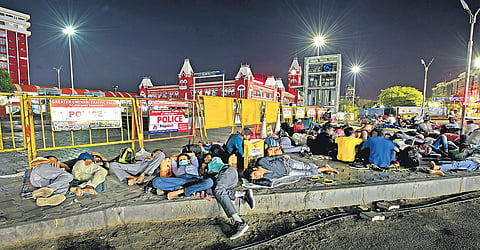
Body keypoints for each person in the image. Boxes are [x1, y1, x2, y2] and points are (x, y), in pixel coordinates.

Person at [206, 157, 255, 240]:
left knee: (218, 190)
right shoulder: (214, 176)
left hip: (228, 171)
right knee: (214, 191)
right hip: (228, 180)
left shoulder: (214, 160)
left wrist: (205, 171)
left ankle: (239, 222)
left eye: (207, 158)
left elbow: (213, 168)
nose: (207, 159)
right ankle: (243, 194)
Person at [247, 155, 338, 181]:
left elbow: (273, 157)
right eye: (255, 178)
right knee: (306, 173)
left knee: (306, 166)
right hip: (288, 172)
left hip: (287, 163)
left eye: (255, 174)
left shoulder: (261, 162)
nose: (257, 176)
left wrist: (284, 156)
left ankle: (324, 168)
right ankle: (325, 168)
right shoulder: (265, 177)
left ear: (255, 169)